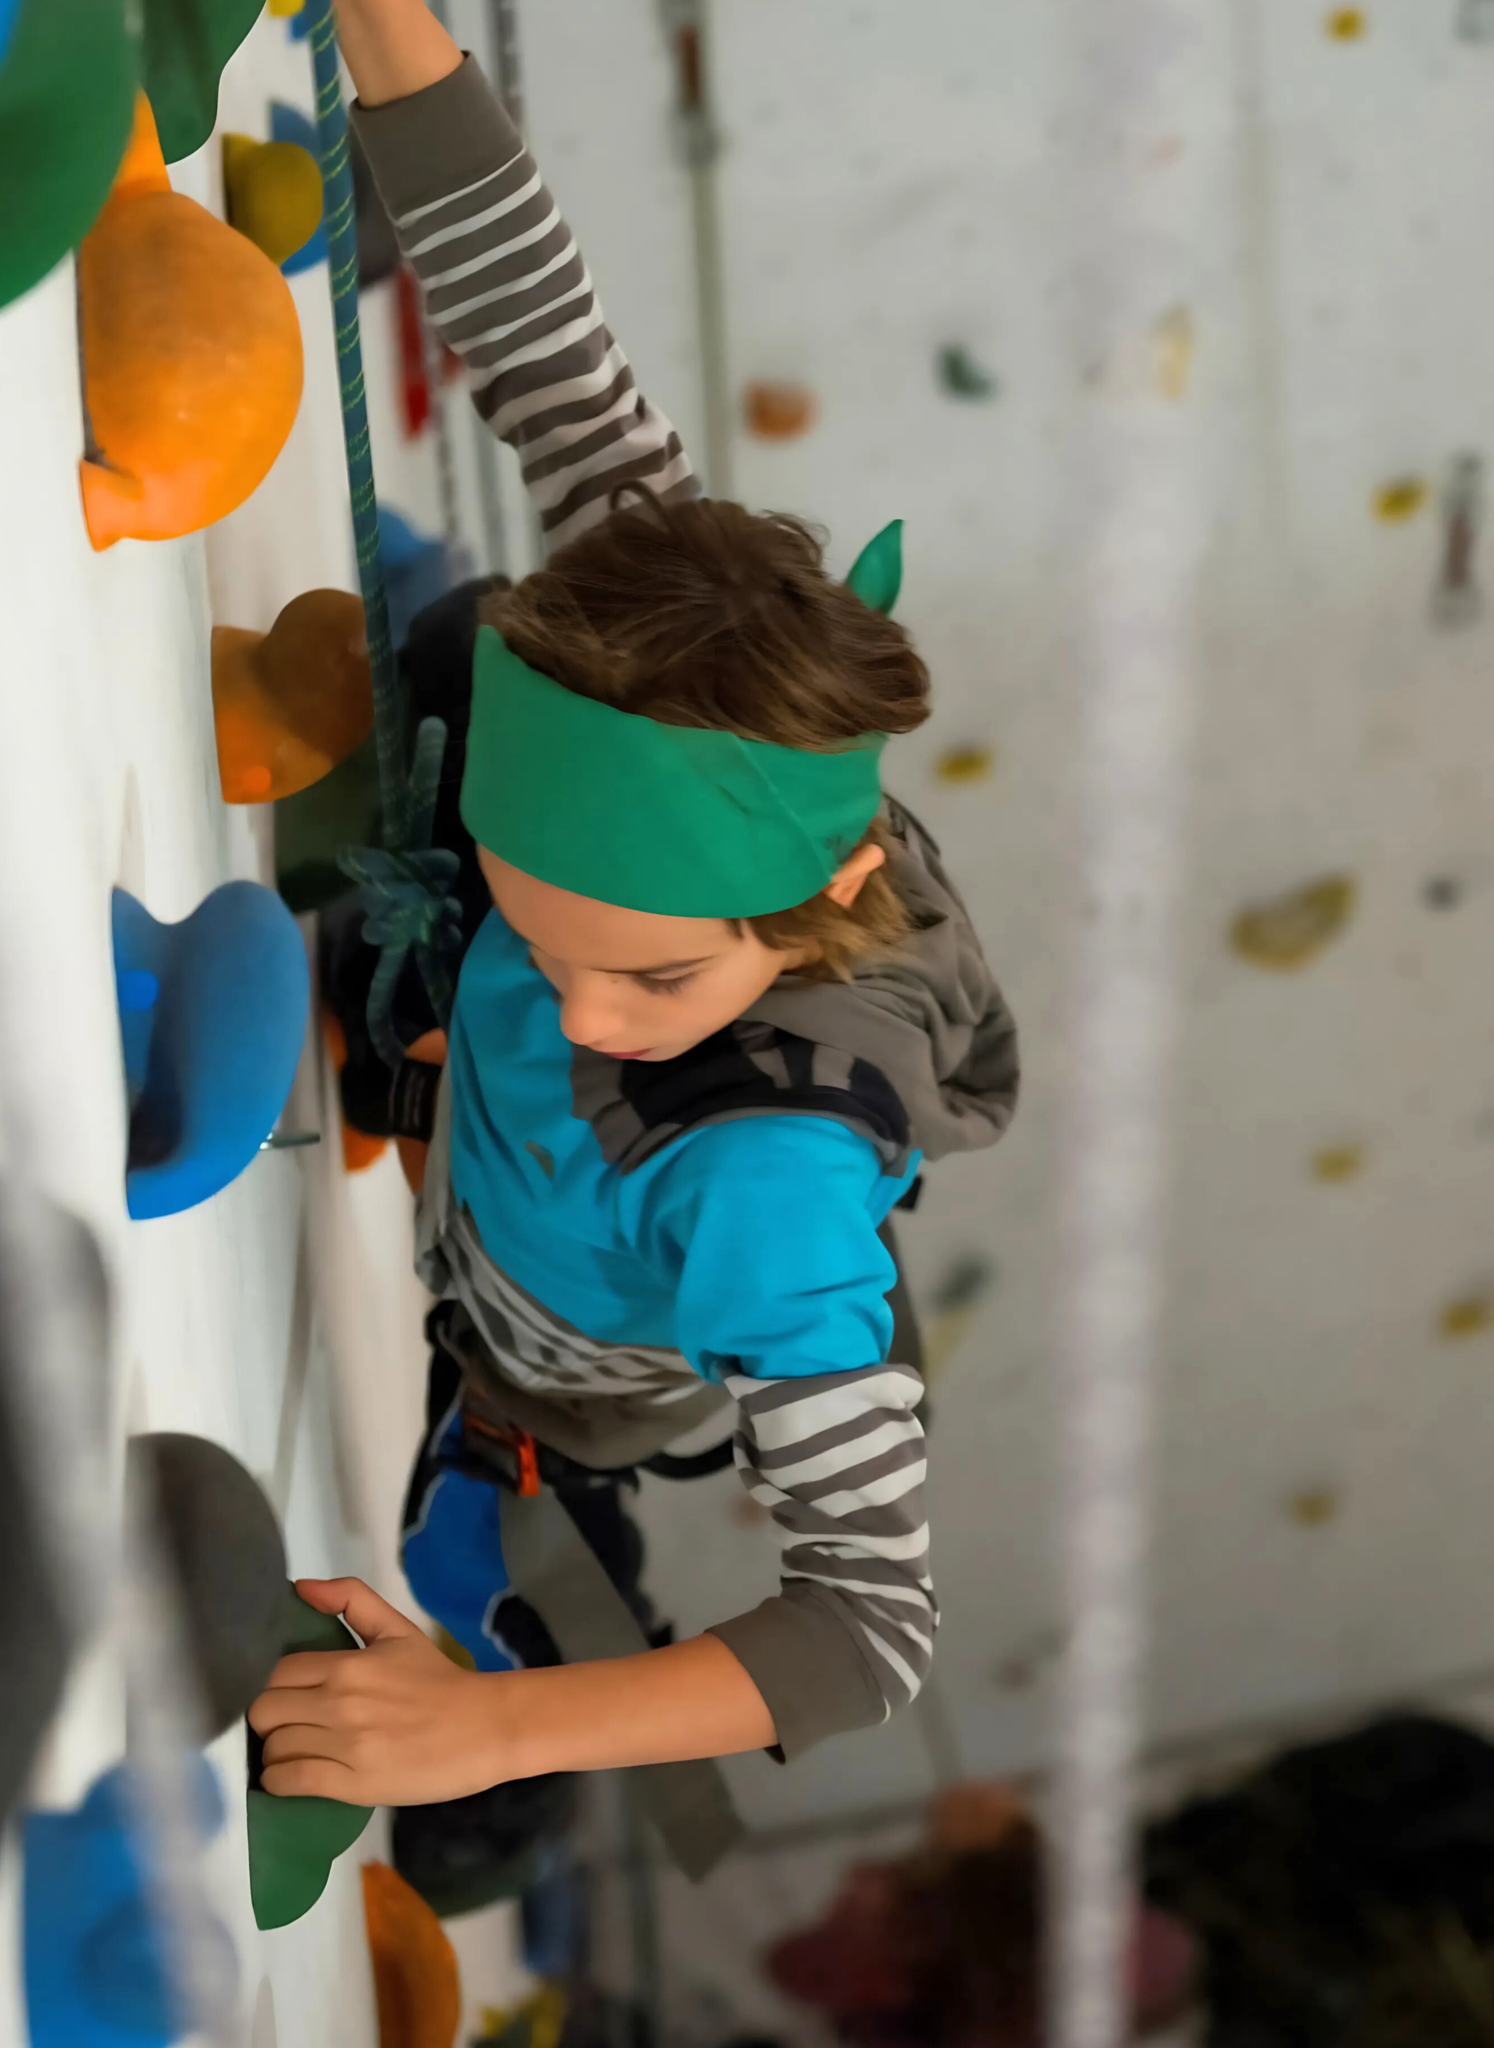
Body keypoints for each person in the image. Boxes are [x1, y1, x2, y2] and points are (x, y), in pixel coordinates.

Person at [248, 0, 1019, 1829]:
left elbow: (873, 1629)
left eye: (656, 970)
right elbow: (530, 315)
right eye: (555, 928)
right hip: (468, 1086)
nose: (600, 1008)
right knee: (455, 651)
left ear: (823, 893)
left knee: (488, 1703)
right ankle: (436, 978)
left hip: (564, 1363)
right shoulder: (660, 629)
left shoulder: (771, 1186)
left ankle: (520, 1702)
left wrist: (493, 1734)